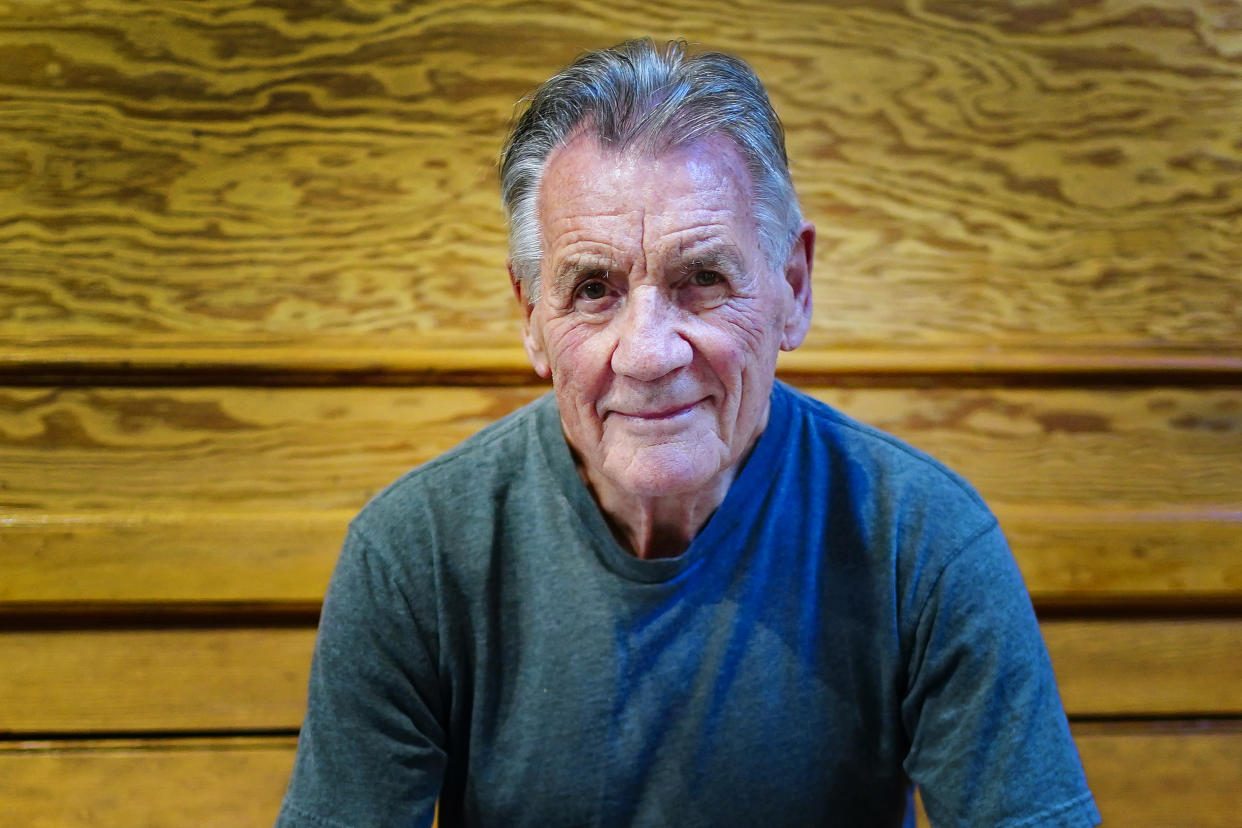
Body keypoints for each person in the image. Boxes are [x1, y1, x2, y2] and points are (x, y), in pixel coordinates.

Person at [276, 39, 1100, 827]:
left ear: (793, 287)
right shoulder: (413, 553)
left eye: (701, 279)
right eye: (593, 288)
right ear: (531, 318)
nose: (647, 352)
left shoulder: (923, 541)